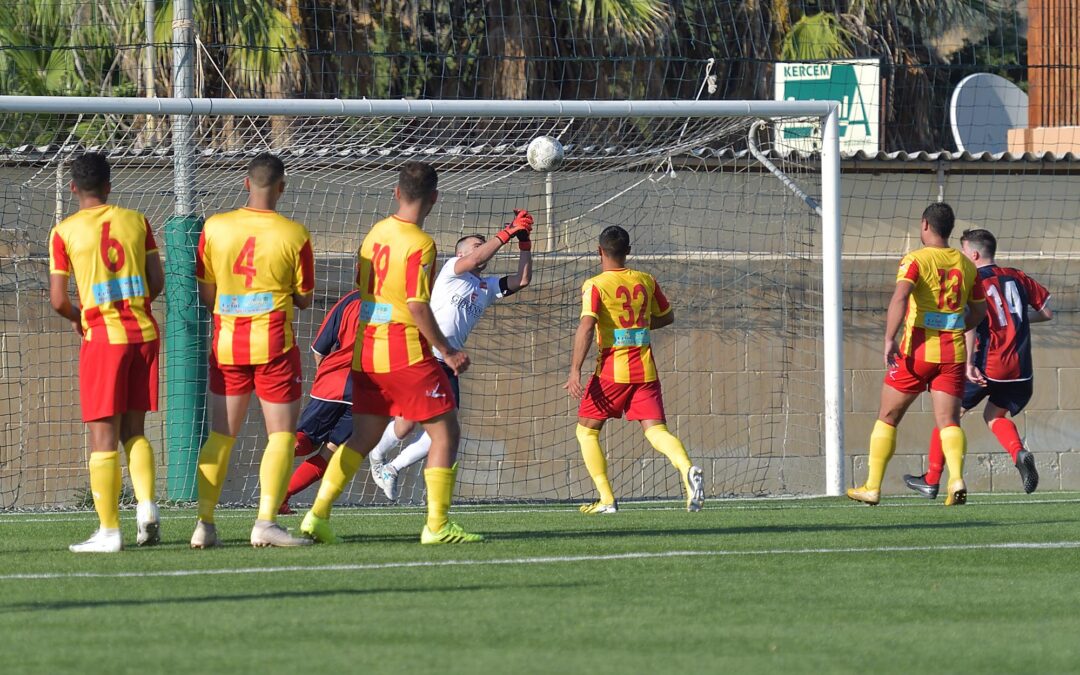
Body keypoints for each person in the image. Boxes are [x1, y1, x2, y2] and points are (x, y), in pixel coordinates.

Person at [301, 161, 531, 545]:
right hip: (406, 352)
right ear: (435, 198)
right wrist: (447, 349)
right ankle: (437, 525)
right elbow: (417, 306)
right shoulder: (423, 245)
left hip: (368, 350)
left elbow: (363, 286)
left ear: (396, 192)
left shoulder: (376, 233)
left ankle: (317, 516)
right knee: (446, 433)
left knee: (363, 437)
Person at [190, 153, 315, 548]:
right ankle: (264, 523)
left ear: (246, 183)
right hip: (274, 345)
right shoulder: (295, 234)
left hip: (227, 344)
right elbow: (306, 298)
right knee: (280, 435)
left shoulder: (214, 226)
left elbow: (206, 292)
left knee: (220, 437)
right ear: (282, 187)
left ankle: (204, 525)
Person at [48, 153, 164, 553]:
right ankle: (147, 506)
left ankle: (109, 532)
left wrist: (83, 318)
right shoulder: (138, 221)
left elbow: (59, 300)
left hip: (104, 339)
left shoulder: (64, 231)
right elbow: (156, 281)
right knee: (135, 431)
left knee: (103, 437)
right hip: (145, 334)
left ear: (73, 188)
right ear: (110, 186)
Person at [367, 224, 533, 500]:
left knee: (444, 429)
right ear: (461, 253)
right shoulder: (452, 270)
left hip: (448, 362)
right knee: (408, 426)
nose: (482, 249)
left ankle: (391, 468)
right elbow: (477, 259)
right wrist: (507, 232)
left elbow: (522, 280)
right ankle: (377, 453)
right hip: (423, 355)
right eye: (476, 245)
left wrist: (524, 243)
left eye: (484, 244)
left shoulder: (486, 286)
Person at [848, 203, 987, 507]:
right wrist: (960, 324)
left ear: (925, 225)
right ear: (949, 229)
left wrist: (889, 338)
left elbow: (900, 298)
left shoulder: (914, 260)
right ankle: (956, 480)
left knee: (887, 417)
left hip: (917, 353)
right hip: (952, 354)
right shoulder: (966, 266)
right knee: (949, 420)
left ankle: (872, 486)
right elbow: (979, 310)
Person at [563, 225, 704, 514]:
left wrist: (574, 370)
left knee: (586, 433)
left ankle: (606, 500)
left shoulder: (595, 285)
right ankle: (687, 468)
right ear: (628, 251)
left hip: (611, 372)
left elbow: (587, 326)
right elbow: (667, 317)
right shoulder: (646, 280)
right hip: (646, 371)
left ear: (599, 251)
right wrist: (635, 327)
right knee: (656, 431)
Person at [904, 228, 1052, 498]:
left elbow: (968, 322)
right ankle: (1019, 453)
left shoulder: (972, 279)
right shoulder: (1017, 276)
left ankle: (932, 478)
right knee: (994, 415)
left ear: (973, 254)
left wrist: (970, 362)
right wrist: (1014, 320)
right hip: (1021, 371)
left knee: (948, 415)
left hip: (988, 363)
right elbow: (1046, 312)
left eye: (963, 252)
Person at [277, 289, 362, 514]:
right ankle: (282, 496)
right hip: (367, 390)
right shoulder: (399, 303)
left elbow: (318, 347)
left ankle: (275, 468)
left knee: (304, 439)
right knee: (330, 451)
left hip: (331, 383)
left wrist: (325, 377)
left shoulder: (351, 300)